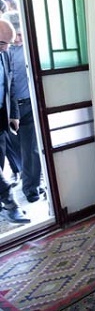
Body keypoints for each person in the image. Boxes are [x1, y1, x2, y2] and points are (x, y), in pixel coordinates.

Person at [2, 11, 43, 201]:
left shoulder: (32, 48)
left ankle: (31, 189)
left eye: (20, 34)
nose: (18, 39)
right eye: (15, 36)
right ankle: (19, 182)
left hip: (29, 105)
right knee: (16, 150)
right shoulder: (4, 51)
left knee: (31, 150)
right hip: (8, 110)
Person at [0, 19, 28, 224]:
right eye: (3, 43)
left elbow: (10, 84)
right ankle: (10, 203)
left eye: (8, 43)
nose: (7, 48)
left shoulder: (5, 53)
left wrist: (14, 114)